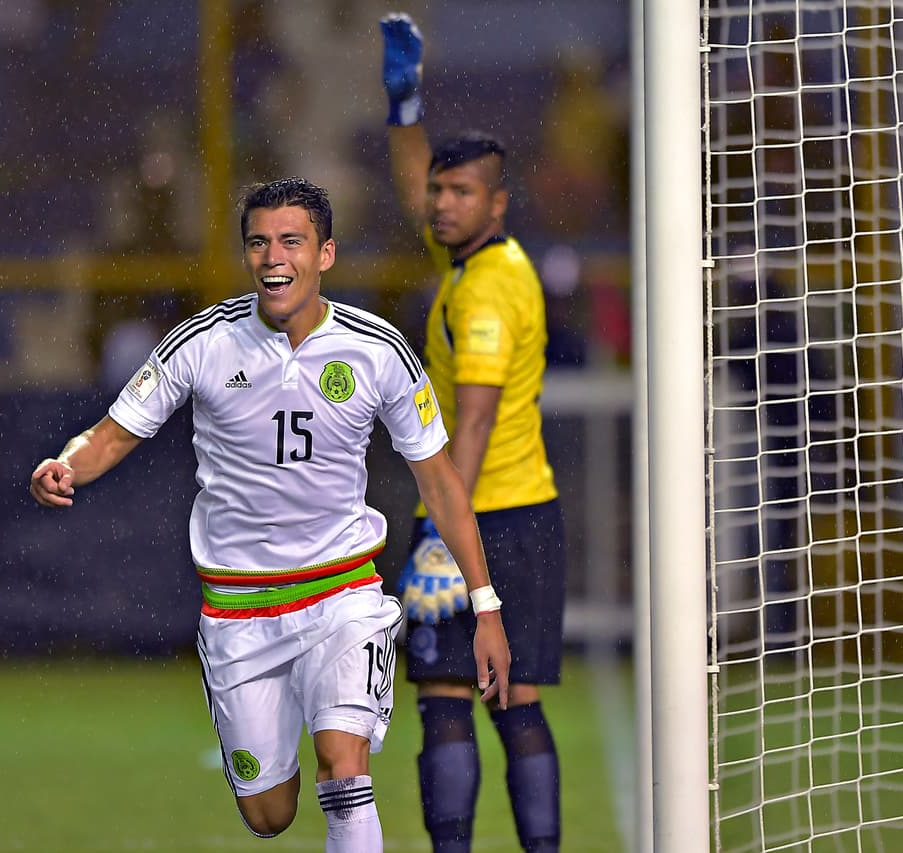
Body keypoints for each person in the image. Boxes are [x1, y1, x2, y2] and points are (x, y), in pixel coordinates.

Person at [28, 177, 511, 852]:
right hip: (239, 610)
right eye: (259, 242)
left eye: (291, 241)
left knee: (345, 769)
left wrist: (485, 605)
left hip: (341, 594)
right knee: (269, 814)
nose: (274, 257)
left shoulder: (378, 350)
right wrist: (65, 464)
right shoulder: (203, 342)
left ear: (326, 254)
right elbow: (110, 434)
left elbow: (441, 480)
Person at [378, 14, 569, 853]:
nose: (442, 203)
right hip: (527, 514)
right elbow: (412, 183)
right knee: (514, 701)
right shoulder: (486, 261)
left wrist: (439, 536)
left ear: (498, 202)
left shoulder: (486, 290)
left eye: (461, 192)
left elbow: (479, 417)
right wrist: (404, 108)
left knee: (449, 698)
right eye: (440, 191)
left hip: (485, 517)